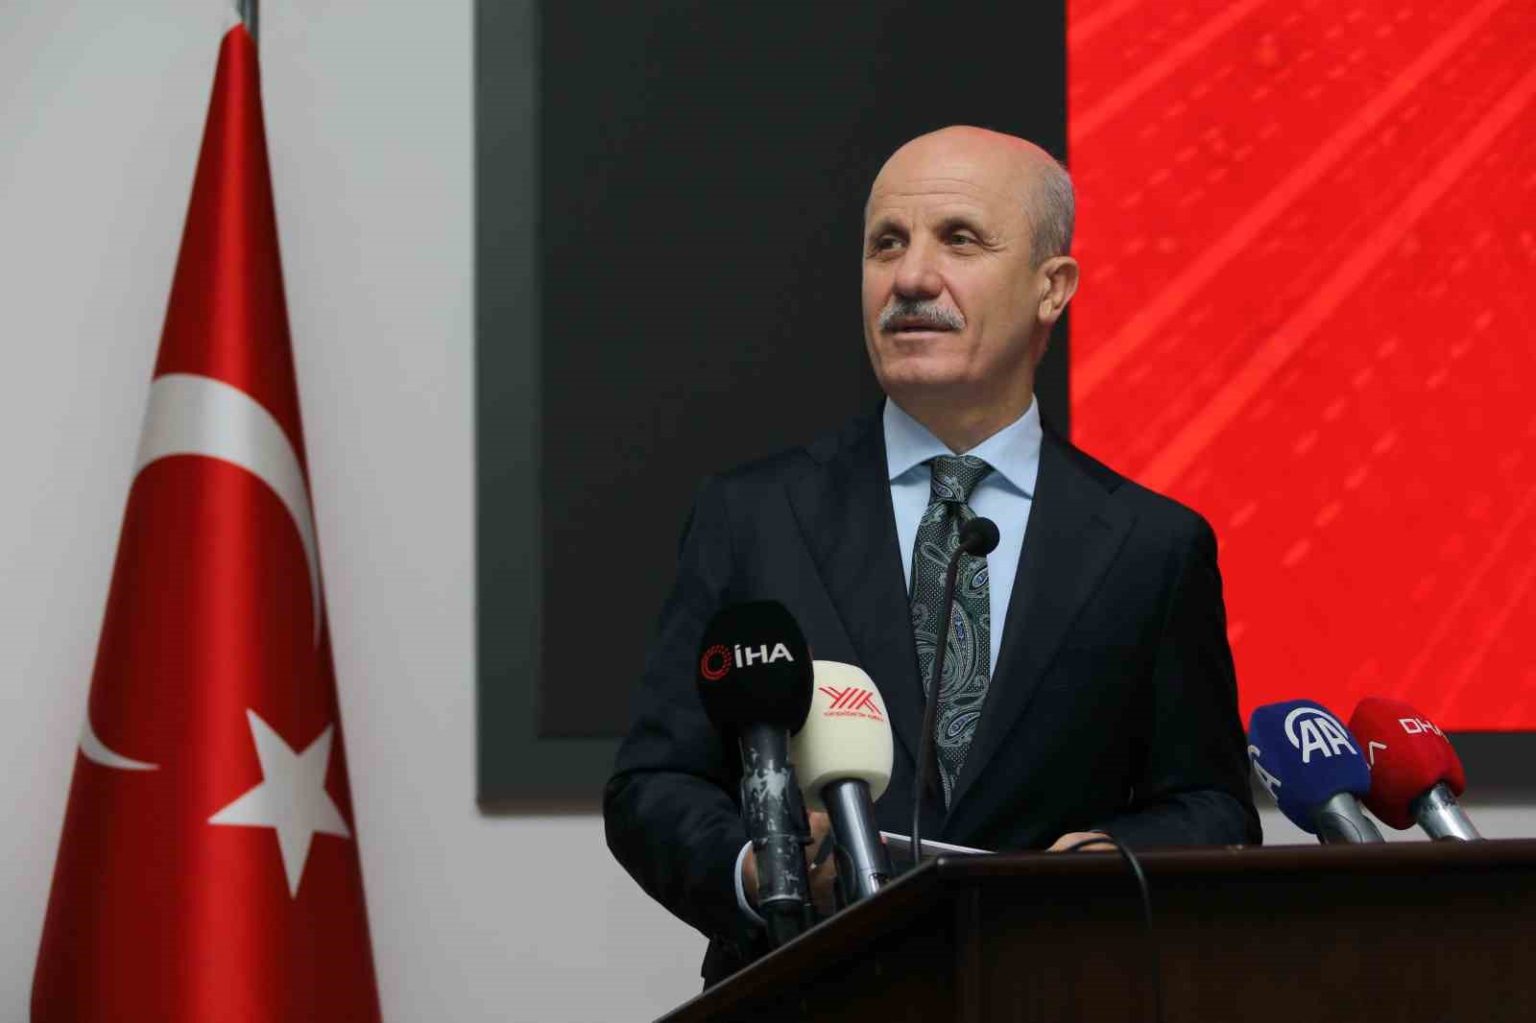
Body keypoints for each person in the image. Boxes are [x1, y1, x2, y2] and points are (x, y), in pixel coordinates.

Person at [603, 125, 1260, 987]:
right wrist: (760, 868)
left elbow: (1212, 806)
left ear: (1052, 288)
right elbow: (654, 783)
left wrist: (1111, 856)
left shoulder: (1153, 546)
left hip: (1052, 991)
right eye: (886, 243)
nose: (910, 277)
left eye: (959, 239)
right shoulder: (751, 516)